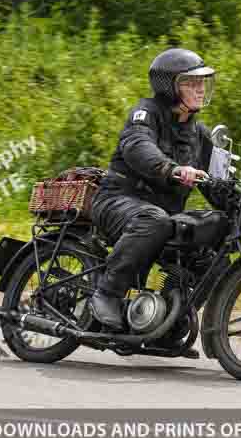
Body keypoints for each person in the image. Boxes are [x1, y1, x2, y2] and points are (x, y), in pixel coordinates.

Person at [89, 48, 227, 340]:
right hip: (118, 201)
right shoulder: (145, 114)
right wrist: (172, 169)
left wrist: (237, 202)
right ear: (169, 87)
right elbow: (138, 146)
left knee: (213, 252)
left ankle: (169, 323)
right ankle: (107, 293)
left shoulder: (199, 135)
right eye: (191, 83)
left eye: (202, 82)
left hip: (163, 214)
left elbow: (218, 181)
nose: (200, 89)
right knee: (155, 220)